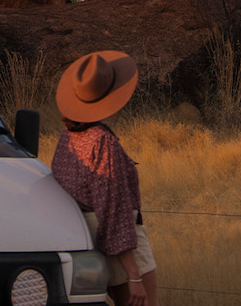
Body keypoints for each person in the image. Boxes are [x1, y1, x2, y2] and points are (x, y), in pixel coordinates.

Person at [51, 51, 159, 306]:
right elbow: (114, 212)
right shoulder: (102, 143)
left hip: (84, 237)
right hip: (121, 249)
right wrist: (133, 275)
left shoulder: (68, 136)